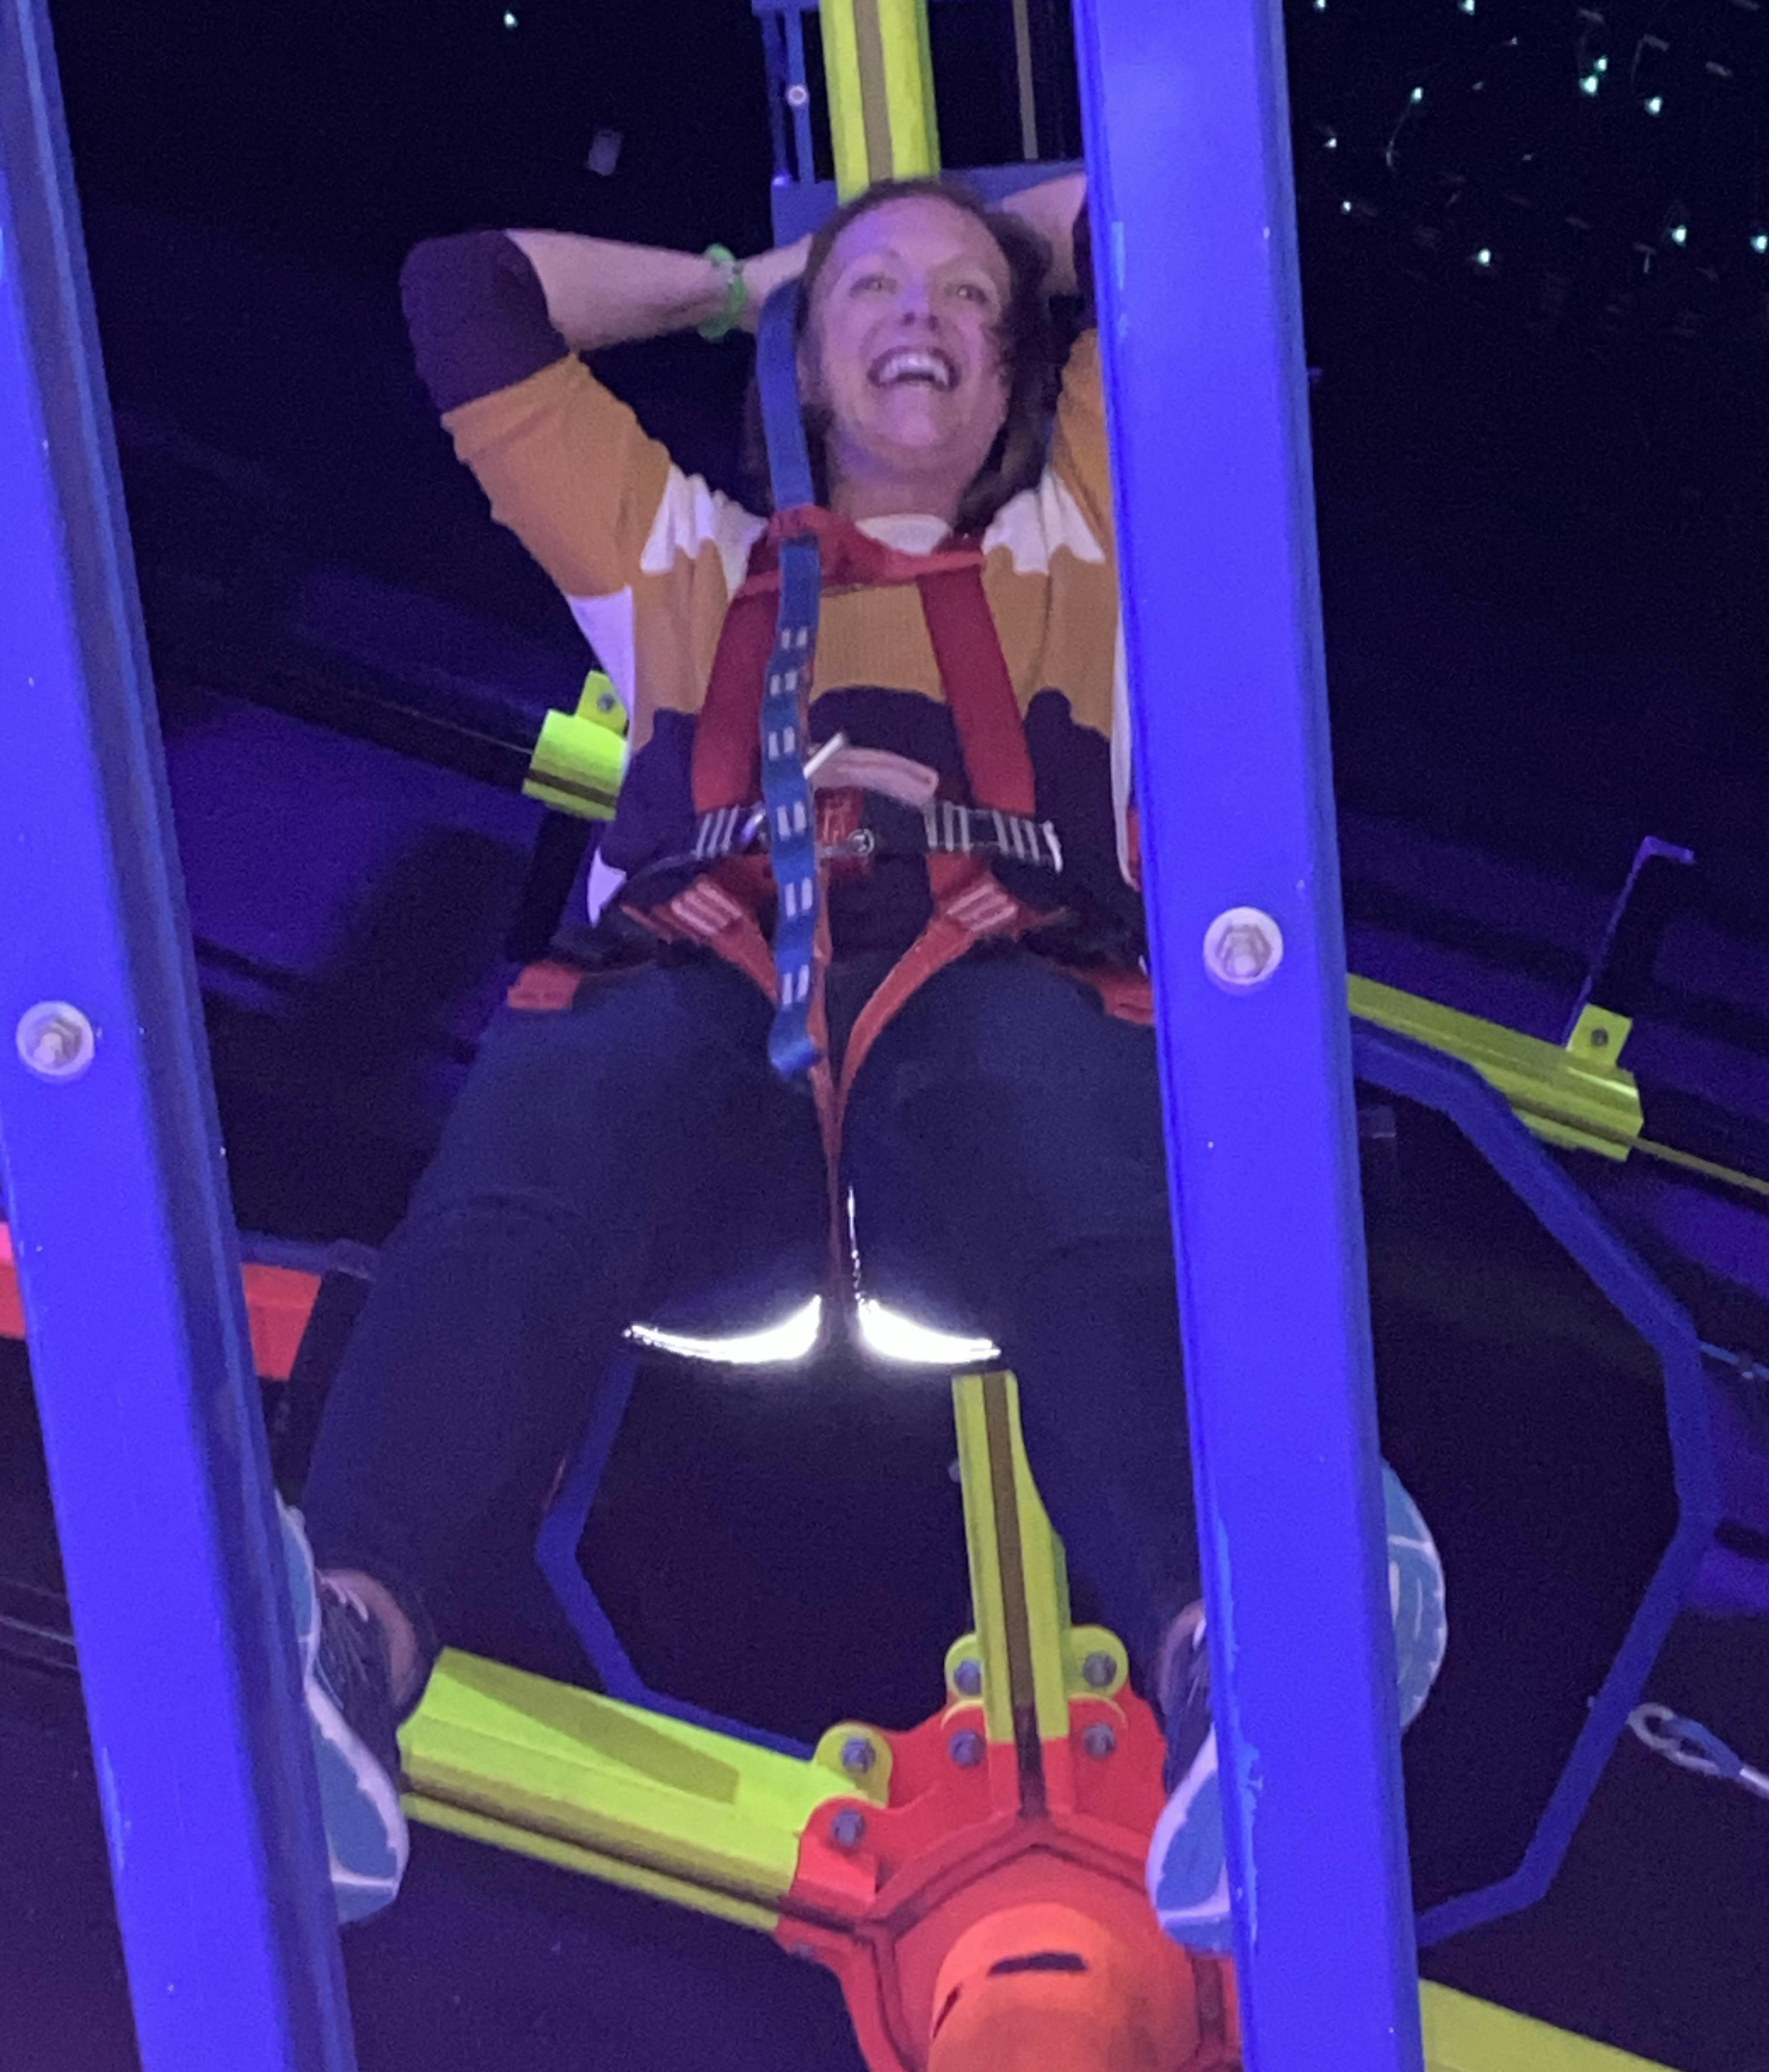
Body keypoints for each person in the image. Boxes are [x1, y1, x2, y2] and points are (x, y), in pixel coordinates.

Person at [287, 173, 1446, 1940]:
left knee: (1035, 1090)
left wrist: (924, 253)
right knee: (576, 1090)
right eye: (876, 298)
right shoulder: (687, 560)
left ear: (1020, 372)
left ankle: (1239, 1662)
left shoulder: (1079, 550)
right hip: (710, 1127)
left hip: (964, 1115)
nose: (921, 316)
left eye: (968, 301)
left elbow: (1171, 201)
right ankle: (342, 1648)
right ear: (809, 369)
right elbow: (465, 291)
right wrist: (745, 278)